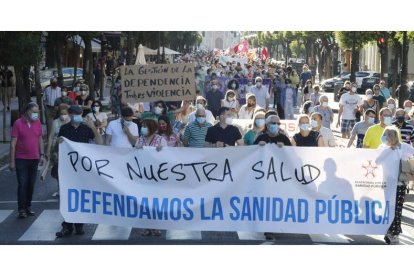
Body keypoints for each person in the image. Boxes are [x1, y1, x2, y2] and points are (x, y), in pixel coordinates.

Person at [55, 105, 103, 238]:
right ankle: (67, 226)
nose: (78, 116)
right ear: (70, 115)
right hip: (68, 169)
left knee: (81, 196)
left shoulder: (86, 128)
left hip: (83, 168)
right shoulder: (64, 128)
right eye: (75, 114)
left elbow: (100, 144)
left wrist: (93, 127)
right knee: (68, 196)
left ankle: (79, 224)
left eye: (80, 114)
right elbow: (60, 146)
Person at [376, 126, 414, 244]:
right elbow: (377, 161)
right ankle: (388, 231)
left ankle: (394, 233)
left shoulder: (405, 147)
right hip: (386, 184)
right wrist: (388, 150)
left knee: (397, 210)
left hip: (400, 184)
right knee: (388, 208)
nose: (384, 138)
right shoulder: (382, 148)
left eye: (386, 136)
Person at [9, 102, 46, 218]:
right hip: (21, 159)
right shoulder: (18, 123)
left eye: (38, 112)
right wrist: (12, 161)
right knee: (22, 184)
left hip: (34, 158)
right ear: (27, 112)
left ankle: (28, 206)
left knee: (31, 185)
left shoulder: (38, 123)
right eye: (34, 112)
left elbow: (40, 139)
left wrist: (42, 154)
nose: (36, 114)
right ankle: (21, 209)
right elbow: (13, 143)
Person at [135, 118, 167, 237]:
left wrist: (161, 150)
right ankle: (146, 227)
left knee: (156, 202)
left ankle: (156, 226)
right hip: (142, 175)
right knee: (144, 203)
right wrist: (136, 149)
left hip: (156, 176)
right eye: (142, 126)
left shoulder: (160, 139)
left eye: (145, 126)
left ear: (151, 128)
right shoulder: (140, 139)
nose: (143, 128)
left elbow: (167, 156)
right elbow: (133, 155)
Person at [45, 104, 71, 192]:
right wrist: (48, 150)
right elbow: (51, 136)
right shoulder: (55, 122)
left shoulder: (71, 121)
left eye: (65, 113)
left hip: (69, 149)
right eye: (61, 113)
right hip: (57, 150)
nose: (63, 115)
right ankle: (61, 187)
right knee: (58, 170)